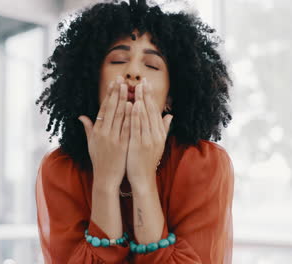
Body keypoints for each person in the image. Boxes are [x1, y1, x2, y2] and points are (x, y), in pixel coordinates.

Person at [35, 0, 234, 263]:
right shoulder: (60, 169)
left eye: (151, 66)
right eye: (118, 60)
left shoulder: (204, 164)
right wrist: (106, 182)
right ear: (92, 82)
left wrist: (142, 178)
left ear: (170, 97)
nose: (133, 72)